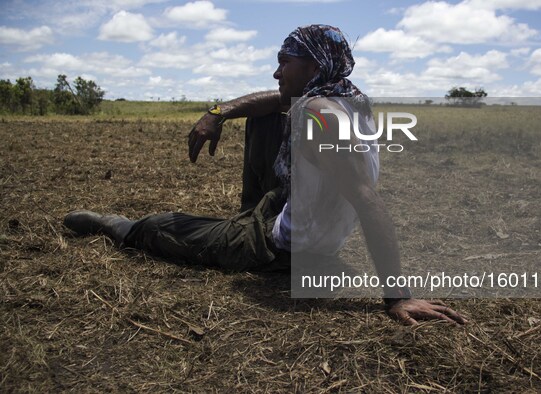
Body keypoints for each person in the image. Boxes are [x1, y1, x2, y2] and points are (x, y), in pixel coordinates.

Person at [64, 24, 466, 326]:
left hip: (278, 247)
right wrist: (217, 113)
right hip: (284, 207)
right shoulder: (346, 98)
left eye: (283, 62)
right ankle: (248, 212)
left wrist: (397, 298)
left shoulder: (319, 115)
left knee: (159, 227)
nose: (277, 73)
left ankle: (119, 226)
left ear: (313, 64)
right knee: (266, 114)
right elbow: (274, 100)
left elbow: (366, 198)